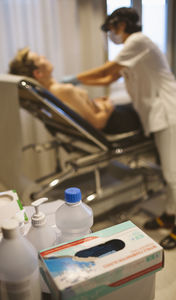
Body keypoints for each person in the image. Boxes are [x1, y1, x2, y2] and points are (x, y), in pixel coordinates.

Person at [73, 7, 176, 250]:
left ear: (121, 24)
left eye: (111, 28)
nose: (111, 34)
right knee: (168, 174)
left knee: (173, 174)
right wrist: (75, 84)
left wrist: (70, 80)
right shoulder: (132, 51)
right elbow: (109, 79)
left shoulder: (138, 41)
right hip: (157, 115)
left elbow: (105, 71)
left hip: (170, 112)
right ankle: (171, 214)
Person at [9, 47, 141, 134]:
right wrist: (109, 105)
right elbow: (97, 123)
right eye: (40, 58)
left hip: (112, 116)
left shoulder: (52, 91)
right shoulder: (65, 90)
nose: (44, 56)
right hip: (115, 121)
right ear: (38, 73)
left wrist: (98, 103)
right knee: (148, 109)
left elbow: (83, 111)